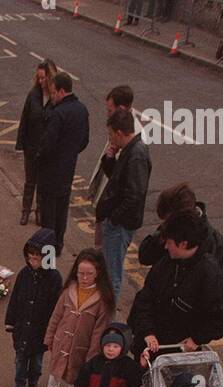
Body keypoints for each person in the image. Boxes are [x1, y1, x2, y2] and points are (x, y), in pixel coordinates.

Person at [113, 209, 223, 387]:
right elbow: (145, 299)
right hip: (153, 347)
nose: (165, 245)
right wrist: (147, 332)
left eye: (168, 242)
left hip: (181, 353)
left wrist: (197, 338)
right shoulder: (167, 263)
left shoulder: (209, 273)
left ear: (183, 244)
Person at [43, 248, 115, 387]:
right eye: (80, 273)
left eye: (88, 274)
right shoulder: (68, 290)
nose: (83, 278)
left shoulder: (102, 300)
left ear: (98, 273)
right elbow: (56, 316)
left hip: (81, 349)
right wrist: (50, 337)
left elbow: (99, 330)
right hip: (62, 342)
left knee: (74, 380)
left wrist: (92, 355)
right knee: (54, 372)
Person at [95, 108, 151, 302]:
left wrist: (114, 218)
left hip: (119, 225)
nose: (110, 140)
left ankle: (107, 323)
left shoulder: (136, 154)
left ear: (119, 133)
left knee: (112, 276)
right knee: (108, 272)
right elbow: (117, 180)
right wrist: (110, 157)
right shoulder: (129, 151)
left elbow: (134, 194)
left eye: (111, 135)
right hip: (116, 222)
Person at [4, 229, 62, 387]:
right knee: (20, 360)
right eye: (30, 257)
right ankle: (19, 386)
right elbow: (15, 299)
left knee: (36, 361)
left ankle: (33, 382)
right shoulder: (24, 274)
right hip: (22, 327)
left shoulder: (54, 279)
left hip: (40, 330)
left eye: (37, 258)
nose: (32, 261)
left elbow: (56, 308)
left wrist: (52, 331)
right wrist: (10, 321)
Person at [36, 72, 90, 257]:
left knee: (48, 213)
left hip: (50, 171)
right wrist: (70, 153)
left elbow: (48, 144)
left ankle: (48, 249)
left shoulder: (58, 113)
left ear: (61, 91)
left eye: (53, 93)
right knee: (62, 209)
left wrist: (40, 159)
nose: (51, 97)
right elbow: (84, 140)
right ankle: (58, 244)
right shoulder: (82, 110)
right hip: (68, 169)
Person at [138, 184, 223, 268]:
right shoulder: (168, 230)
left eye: (168, 221)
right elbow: (145, 257)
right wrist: (159, 239)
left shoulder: (211, 242)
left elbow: (211, 277)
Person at [89, 85, 133, 249]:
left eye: (109, 110)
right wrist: (109, 157)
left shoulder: (130, 141)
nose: (107, 114)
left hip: (114, 220)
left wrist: (113, 219)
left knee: (111, 267)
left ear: (121, 108)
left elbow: (128, 188)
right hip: (106, 211)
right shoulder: (118, 129)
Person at [15, 60, 57, 226]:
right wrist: (21, 144)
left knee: (42, 183)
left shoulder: (55, 97)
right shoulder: (33, 94)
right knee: (30, 181)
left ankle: (40, 212)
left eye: (44, 78)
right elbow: (24, 119)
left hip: (46, 149)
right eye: (38, 78)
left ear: (51, 77)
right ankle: (25, 211)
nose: (40, 82)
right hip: (31, 146)